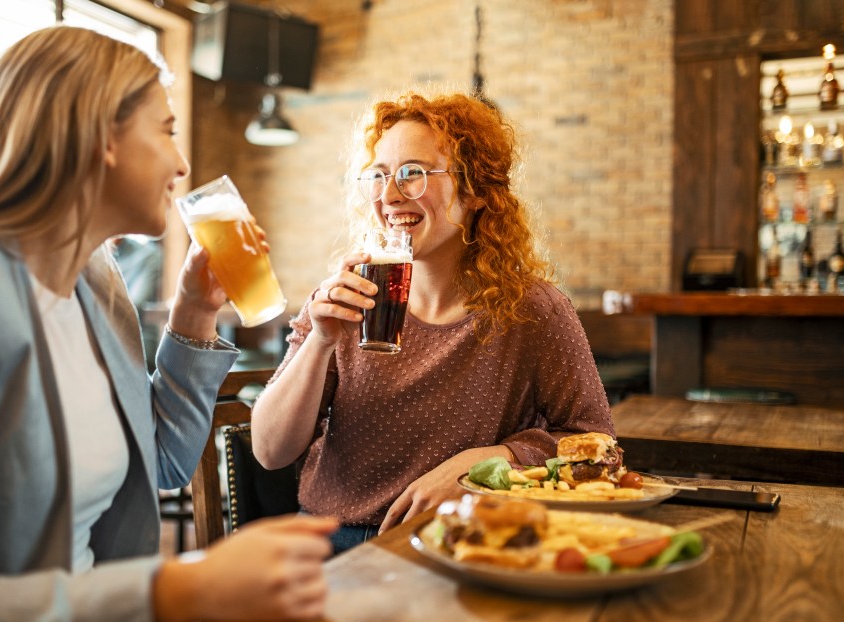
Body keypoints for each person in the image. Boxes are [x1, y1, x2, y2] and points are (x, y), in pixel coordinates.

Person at [0, 26, 336, 622]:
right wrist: (183, 586)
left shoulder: (95, 276)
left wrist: (194, 314)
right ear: (100, 138)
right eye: (167, 130)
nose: (183, 162)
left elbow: (164, 461)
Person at [250, 91, 614, 554]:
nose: (388, 196)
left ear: (477, 189)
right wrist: (319, 342)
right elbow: (269, 450)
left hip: (462, 544)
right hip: (330, 542)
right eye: (379, 176)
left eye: (413, 174)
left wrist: (486, 464)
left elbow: (597, 442)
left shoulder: (533, 310)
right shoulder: (344, 296)